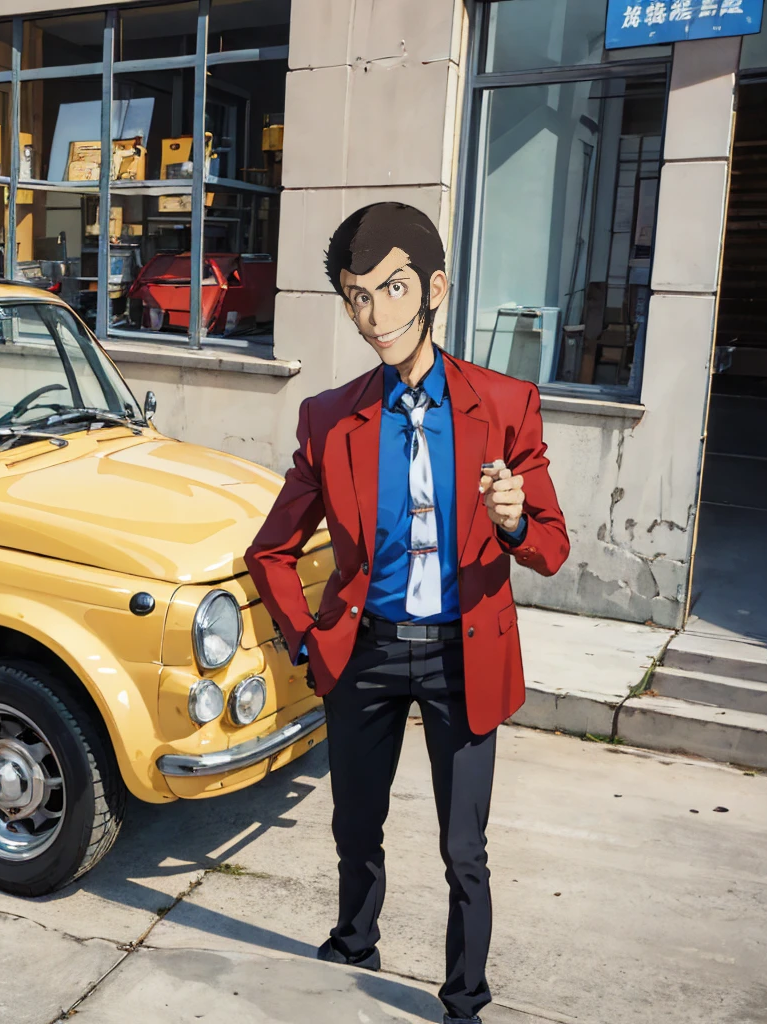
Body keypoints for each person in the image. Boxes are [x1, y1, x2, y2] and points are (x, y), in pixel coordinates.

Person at [244, 202, 569, 1024]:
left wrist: (513, 521)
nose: (374, 314)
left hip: (466, 654)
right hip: (368, 653)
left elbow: (553, 547)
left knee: (465, 850)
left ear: (433, 289)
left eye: (391, 288)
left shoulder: (504, 404)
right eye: (356, 296)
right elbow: (270, 550)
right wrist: (308, 642)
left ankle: (465, 998)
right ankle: (355, 940)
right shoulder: (330, 419)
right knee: (355, 825)